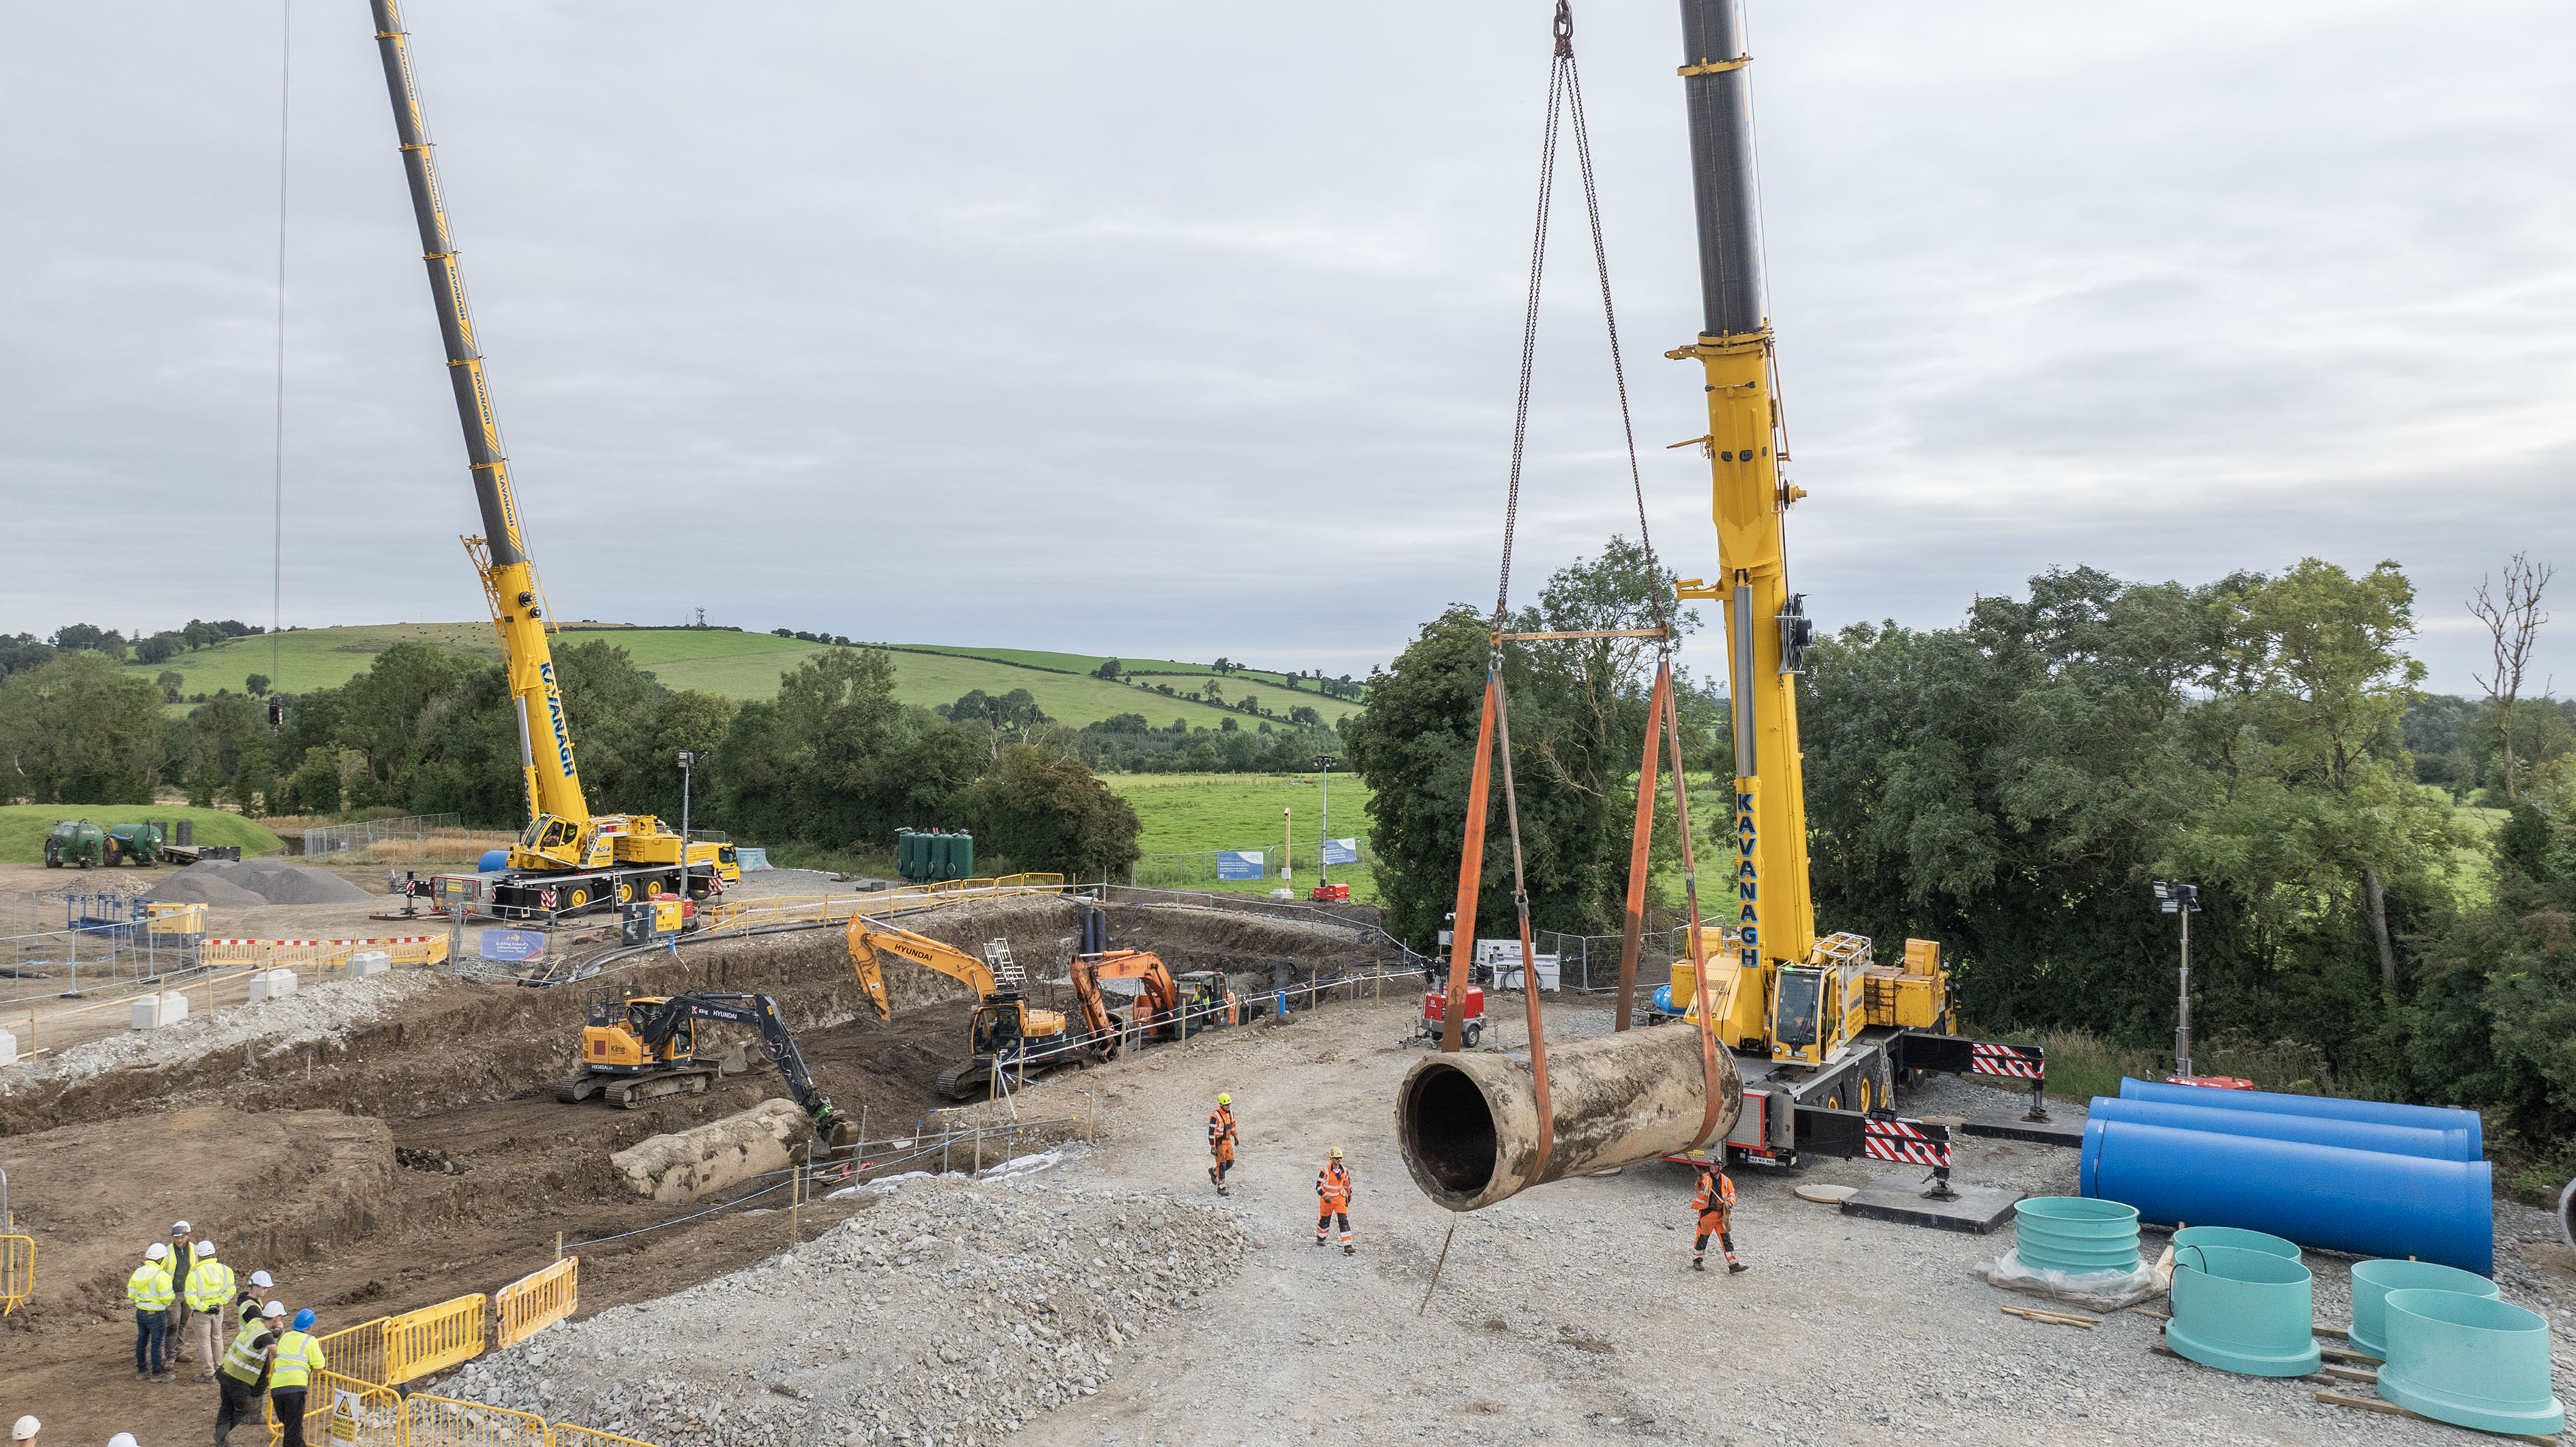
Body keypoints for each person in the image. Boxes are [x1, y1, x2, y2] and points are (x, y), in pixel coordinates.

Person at [214, 1300, 286, 1447]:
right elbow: (278, 1353)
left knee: (226, 1407)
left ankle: (221, 1440)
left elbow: (263, 1336)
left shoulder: (255, 1322)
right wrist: (281, 1332)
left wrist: (275, 1331)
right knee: (243, 1410)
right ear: (276, 1318)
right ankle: (220, 1436)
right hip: (237, 1377)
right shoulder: (265, 1336)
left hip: (225, 1370)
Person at [269, 1308, 327, 1447]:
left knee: (292, 1426)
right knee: (292, 1431)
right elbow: (320, 1366)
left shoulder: (285, 1338)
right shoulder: (310, 1340)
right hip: (295, 1388)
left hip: (276, 1388)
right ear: (310, 1326)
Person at [182, 1239, 237, 1382]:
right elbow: (231, 1290)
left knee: (205, 1343)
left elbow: (190, 1298)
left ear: (199, 1257)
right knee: (217, 1338)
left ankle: (209, 1373)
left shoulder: (194, 1274)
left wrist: (204, 1307)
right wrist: (219, 1303)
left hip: (202, 1314)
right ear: (214, 1253)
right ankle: (220, 1369)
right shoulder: (225, 1270)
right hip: (218, 1311)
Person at [125, 1241, 177, 1381]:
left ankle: (142, 1371)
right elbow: (167, 1299)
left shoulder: (139, 1272)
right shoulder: (162, 1276)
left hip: (141, 1312)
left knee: (142, 1340)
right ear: (160, 1259)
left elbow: (131, 1294)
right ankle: (157, 1373)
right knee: (157, 1342)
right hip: (156, 1313)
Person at [1691, 1161, 1746, 1273]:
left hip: (1721, 1215)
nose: (1712, 1167)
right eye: (1711, 1166)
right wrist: (1699, 1180)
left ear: (1720, 1167)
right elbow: (1699, 1186)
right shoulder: (1705, 1177)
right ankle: (1697, 1260)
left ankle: (1733, 1264)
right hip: (1708, 1214)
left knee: (1726, 1239)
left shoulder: (1726, 1180)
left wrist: (1730, 1203)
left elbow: (1732, 1194)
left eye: (1715, 1166)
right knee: (1702, 1237)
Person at [166, 1220, 199, 1363]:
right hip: (173, 1293)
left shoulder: (195, 1250)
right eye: (176, 1238)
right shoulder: (167, 1252)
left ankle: (179, 1352)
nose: (179, 1240)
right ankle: (171, 1356)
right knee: (173, 1324)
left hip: (189, 1293)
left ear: (188, 1236)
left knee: (183, 1324)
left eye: (181, 1237)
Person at [1314, 1146, 1354, 1254]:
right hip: (1327, 1201)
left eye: (1340, 1158)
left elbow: (1347, 1184)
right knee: (1325, 1220)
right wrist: (1324, 1195)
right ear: (1331, 1158)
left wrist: (1349, 1195)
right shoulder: (1325, 1171)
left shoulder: (1344, 1171)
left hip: (1340, 1199)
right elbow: (1318, 1185)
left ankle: (1348, 1245)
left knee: (1343, 1221)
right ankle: (1321, 1237)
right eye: (1336, 1158)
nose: (1339, 1160)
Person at [1206, 1092, 1239, 1195]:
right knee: (1222, 1164)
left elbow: (1232, 1126)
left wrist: (1235, 1137)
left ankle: (1214, 1172)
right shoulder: (1215, 1116)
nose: (1228, 1106)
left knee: (1231, 1162)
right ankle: (1221, 1187)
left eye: (1229, 1104)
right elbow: (1211, 1133)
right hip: (1219, 1143)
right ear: (1221, 1105)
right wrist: (1213, 1146)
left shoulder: (1231, 1114)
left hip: (1228, 1142)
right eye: (1226, 1105)